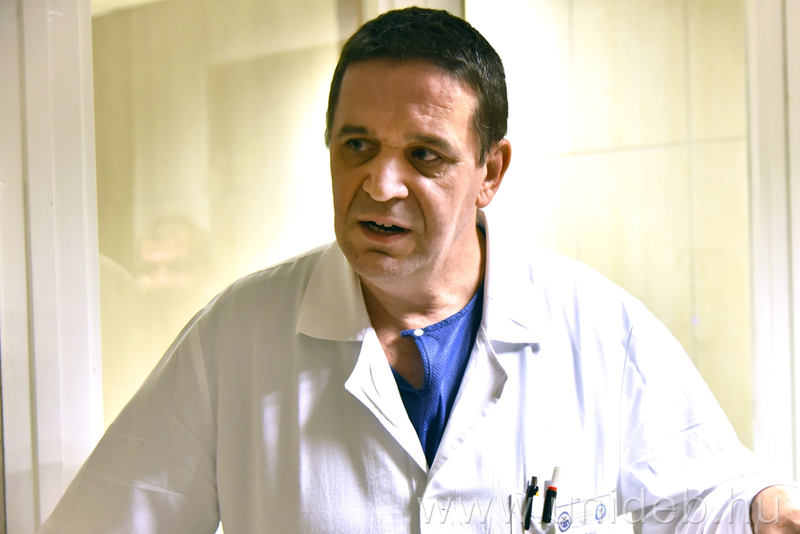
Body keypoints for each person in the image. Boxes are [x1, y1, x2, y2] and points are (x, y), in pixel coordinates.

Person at [39, 7, 799, 534]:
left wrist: (768, 513)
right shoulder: (232, 340)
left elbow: (709, 497)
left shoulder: (597, 327)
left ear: (490, 171)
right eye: (357, 146)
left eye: (424, 155)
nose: (381, 185)